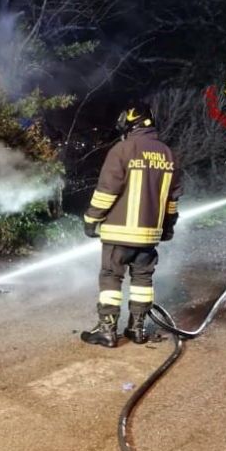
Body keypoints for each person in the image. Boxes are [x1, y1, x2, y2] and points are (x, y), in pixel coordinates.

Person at [81, 102, 182, 348]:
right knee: (143, 279)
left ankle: (106, 330)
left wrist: (91, 218)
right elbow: (172, 199)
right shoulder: (168, 154)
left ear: (131, 122)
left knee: (111, 277)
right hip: (149, 236)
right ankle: (136, 329)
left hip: (119, 232)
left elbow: (107, 190)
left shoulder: (123, 149)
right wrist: (167, 228)